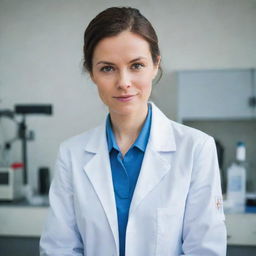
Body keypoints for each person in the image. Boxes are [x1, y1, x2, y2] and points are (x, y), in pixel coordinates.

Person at [40, 6, 227, 256]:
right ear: (92, 72)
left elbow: (205, 250)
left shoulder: (196, 148)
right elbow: (58, 248)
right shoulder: (71, 154)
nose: (123, 82)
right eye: (107, 68)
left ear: (155, 65)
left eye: (136, 65)